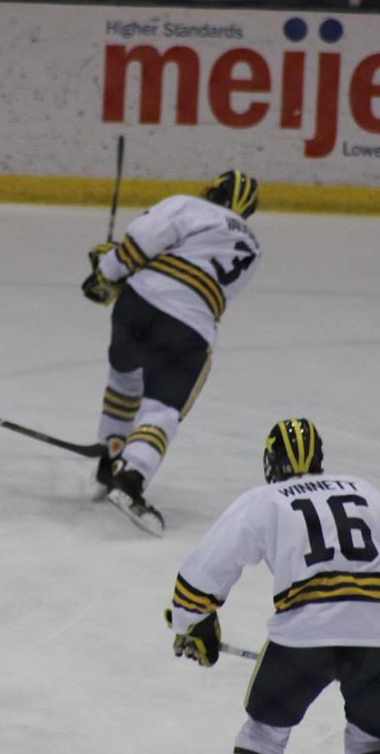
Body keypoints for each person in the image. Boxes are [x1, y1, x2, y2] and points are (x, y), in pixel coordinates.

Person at [166, 417, 380, 754]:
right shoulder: (374, 495)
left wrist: (192, 623)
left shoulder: (267, 498)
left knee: (262, 736)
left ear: (270, 460)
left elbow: (205, 570)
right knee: (372, 743)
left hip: (306, 638)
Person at [81, 169, 261, 536]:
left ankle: (111, 454)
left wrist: (108, 269)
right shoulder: (253, 248)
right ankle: (131, 476)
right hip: (188, 328)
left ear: (212, 192)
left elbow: (143, 240)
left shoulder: (190, 205)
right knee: (162, 408)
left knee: (124, 378)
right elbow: (198, 285)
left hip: (136, 308)